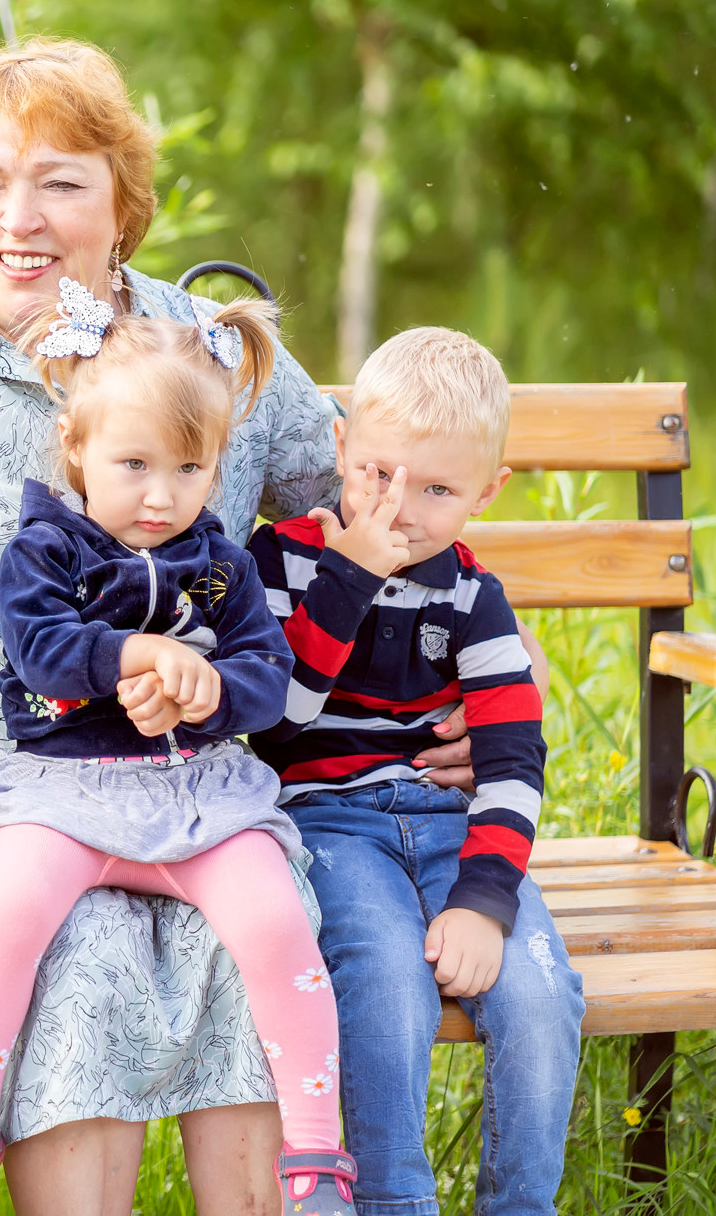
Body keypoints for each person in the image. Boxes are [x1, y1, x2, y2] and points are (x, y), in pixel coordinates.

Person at [0, 37, 522, 1215]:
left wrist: (462, 703)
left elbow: (375, 512)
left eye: (59, 181)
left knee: (256, 918)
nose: (17, 219)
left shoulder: (206, 357)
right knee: (85, 945)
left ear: (121, 205)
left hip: (186, 779)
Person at [0, 285, 360, 1216]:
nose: (162, 496)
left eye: (190, 468)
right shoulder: (46, 550)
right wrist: (134, 653)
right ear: (77, 449)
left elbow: (265, 675)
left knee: (276, 921)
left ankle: (317, 1161)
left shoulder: (221, 564)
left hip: (194, 790)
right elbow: (40, 648)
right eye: (134, 464)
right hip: (63, 791)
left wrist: (208, 690)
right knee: (7, 917)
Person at [248, 328, 584, 1216]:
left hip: (449, 824)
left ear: (487, 491)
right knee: (386, 984)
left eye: (437, 489)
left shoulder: (474, 596)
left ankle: (521, 1205)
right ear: (341, 450)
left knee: (543, 992)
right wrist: (348, 578)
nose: (399, 507)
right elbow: (278, 721)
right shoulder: (279, 560)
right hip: (327, 823)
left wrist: (483, 900)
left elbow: (513, 760)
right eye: (377, 473)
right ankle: (395, 1203)